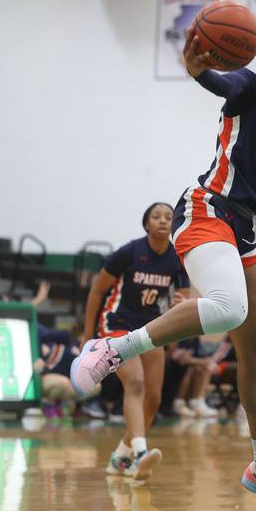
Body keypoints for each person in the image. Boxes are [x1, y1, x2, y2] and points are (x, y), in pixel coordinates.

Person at [71, 21, 256, 511]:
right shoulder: (250, 85)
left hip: (247, 228)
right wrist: (198, 70)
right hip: (209, 207)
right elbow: (222, 81)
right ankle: (114, 348)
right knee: (228, 307)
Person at [81, 202, 190, 481]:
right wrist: (87, 333)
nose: (164, 221)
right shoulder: (129, 252)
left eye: (168, 217)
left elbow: (184, 297)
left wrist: (182, 302)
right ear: (146, 224)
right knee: (135, 383)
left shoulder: (177, 258)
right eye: (157, 216)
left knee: (153, 399)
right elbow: (96, 290)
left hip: (151, 329)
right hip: (116, 326)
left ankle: (121, 457)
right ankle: (141, 453)